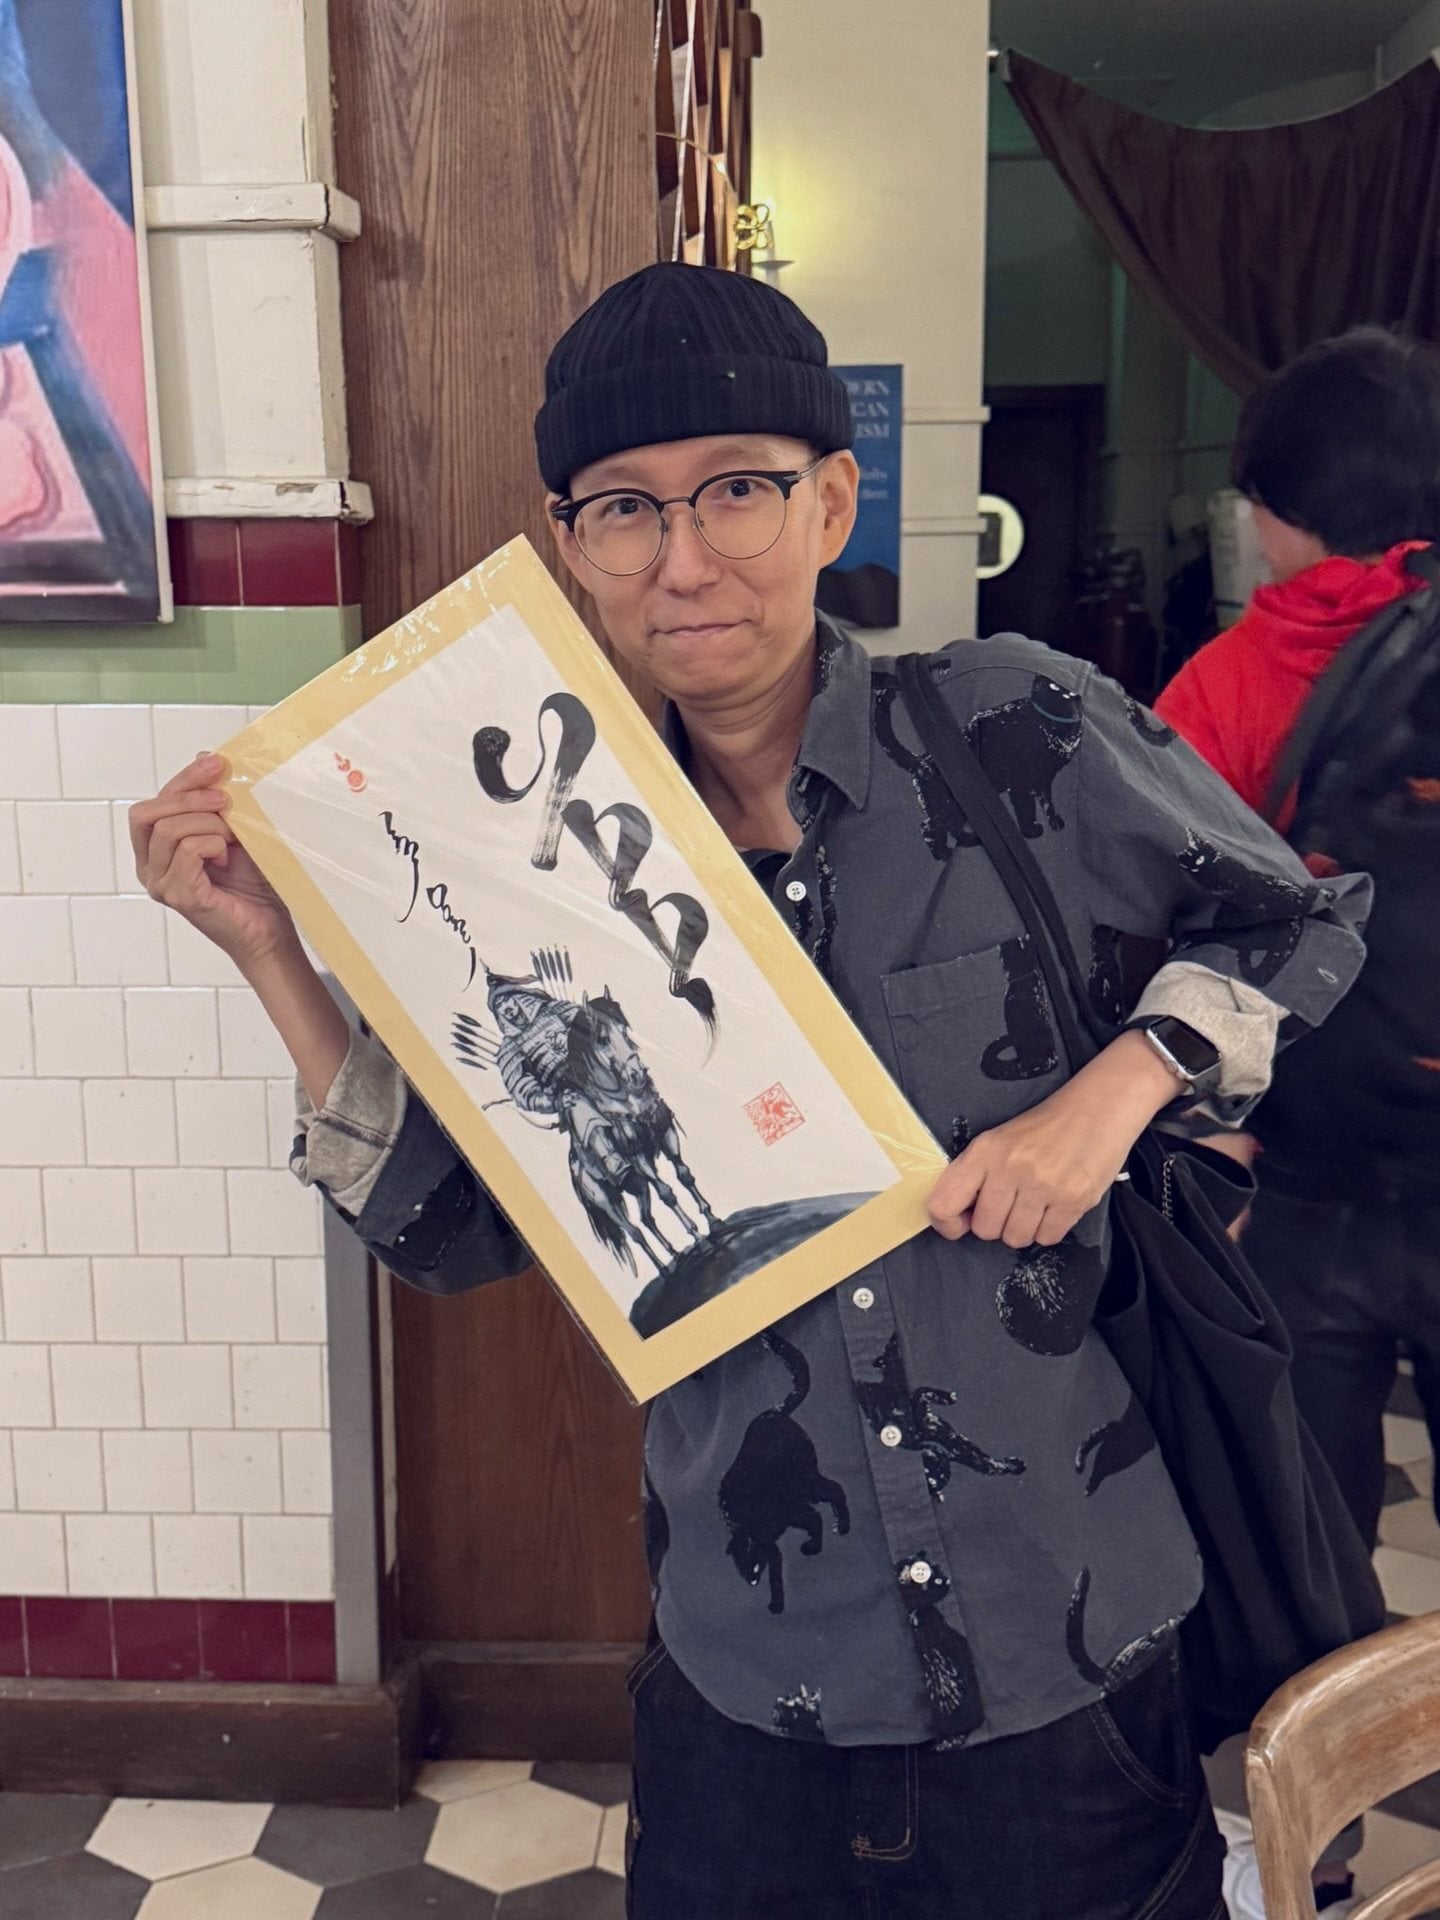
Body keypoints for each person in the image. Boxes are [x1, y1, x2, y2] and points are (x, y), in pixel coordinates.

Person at [130, 263, 1368, 1920]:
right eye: (625, 509)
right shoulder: (526, 865)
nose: (685, 557)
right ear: (570, 545)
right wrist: (273, 957)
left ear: (834, 495)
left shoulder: (1013, 731)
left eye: (739, 488)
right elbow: (451, 1233)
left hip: (1061, 1644)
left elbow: (1297, 914)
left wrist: (1118, 1091)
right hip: (752, 1670)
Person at [1158, 327, 1440, 1917]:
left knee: (1307, 1542)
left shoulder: (1231, 680)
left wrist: (1215, 1136)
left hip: (1312, 1187)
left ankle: (1312, 1861)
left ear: (1273, 511)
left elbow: (1148, 933)